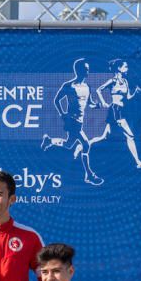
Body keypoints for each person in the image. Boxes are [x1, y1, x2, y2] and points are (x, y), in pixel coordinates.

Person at [40, 58, 104, 186]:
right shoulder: (69, 86)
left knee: (69, 144)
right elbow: (57, 100)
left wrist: (96, 105)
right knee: (86, 144)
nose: (88, 71)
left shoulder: (87, 86)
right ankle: (89, 175)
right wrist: (63, 114)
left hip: (79, 121)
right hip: (72, 121)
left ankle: (50, 141)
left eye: (88, 69)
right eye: (86, 69)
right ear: (79, 71)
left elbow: (89, 102)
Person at [96, 59, 141, 169]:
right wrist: (103, 102)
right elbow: (99, 90)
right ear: (119, 68)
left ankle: (82, 145)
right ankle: (138, 162)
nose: (127, 68)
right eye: (125, 67)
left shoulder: (125, 81)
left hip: (120, 110)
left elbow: (128, 97)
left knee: (104, 136)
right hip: (115, 109)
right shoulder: (112, 81)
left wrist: (135, 91)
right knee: (130, 136)